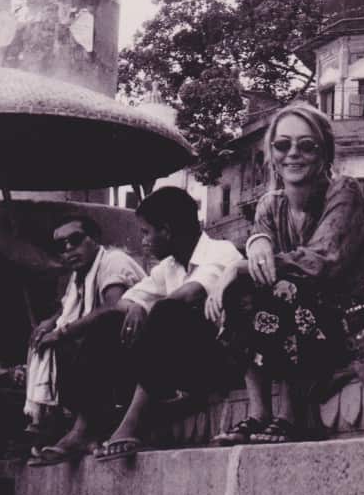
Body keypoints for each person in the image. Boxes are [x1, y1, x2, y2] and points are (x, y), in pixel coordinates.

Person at [207, 103, 364, 445]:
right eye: (282, 145)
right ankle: (259, 414)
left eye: (307, 145)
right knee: (242, 291)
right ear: (271, 153)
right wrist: (251, 252)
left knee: (285, 284)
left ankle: (291, 414)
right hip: (295, 318)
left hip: (352, 318)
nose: (293, 154)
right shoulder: (270, 204)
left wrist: (236, 265)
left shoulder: (343, 190)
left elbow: (320, 262)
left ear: (324, 151)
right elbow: (260, 257)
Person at [94, 187, 243, 461]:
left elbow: (189, 295)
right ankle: (90, 424)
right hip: (181, 366)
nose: (143, 241)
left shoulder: (221, 251)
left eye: (146, 232)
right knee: (110, 321)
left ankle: (133, 421)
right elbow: (124, 302)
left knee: (168, 310)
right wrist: (138, 306)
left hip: (222, 362)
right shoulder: (170, 267)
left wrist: (148, 310)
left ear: (166, 231)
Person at [26, 215, 145, 466]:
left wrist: (62, 331)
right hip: (114, 353)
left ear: (94, 240)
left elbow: (113, 307)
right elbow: (69, 310)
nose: (69, 249)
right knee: (49, 338)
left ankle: (82, 430)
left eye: (75, 240)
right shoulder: (80, 275)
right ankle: (59, 428)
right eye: (62, 245)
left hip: (143, 346)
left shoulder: (112, 261)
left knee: (89, 331)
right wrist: (51, 322)